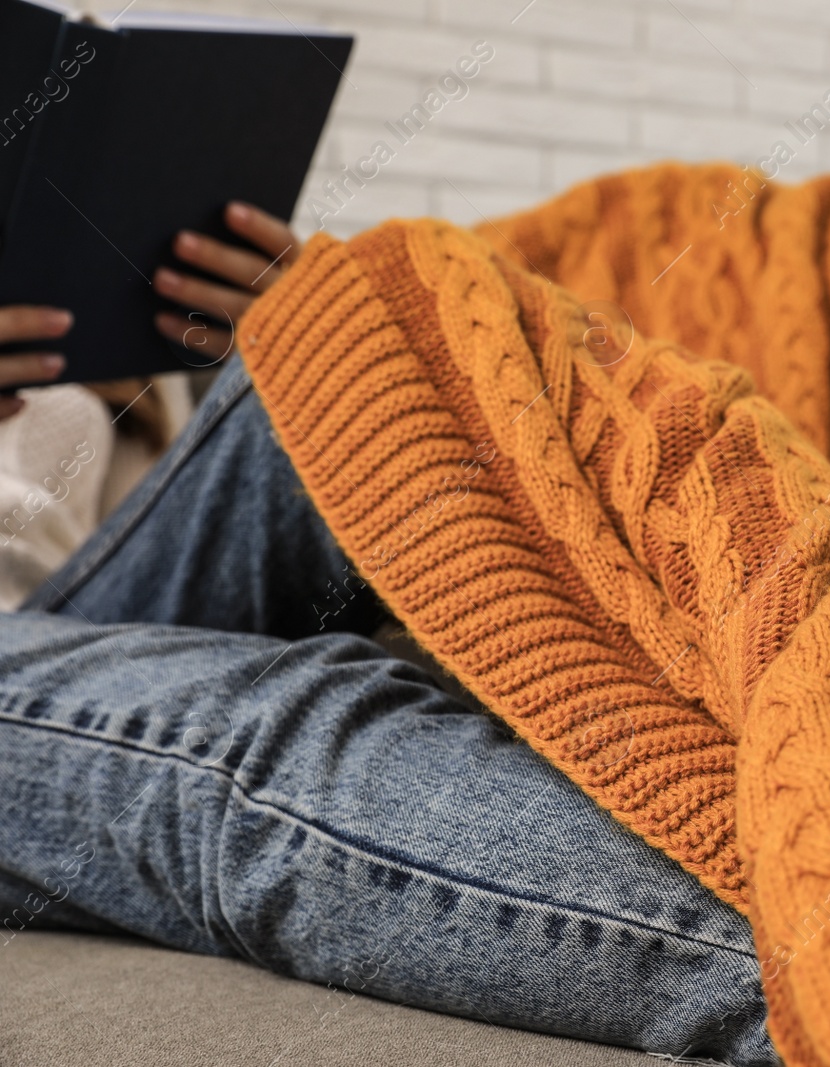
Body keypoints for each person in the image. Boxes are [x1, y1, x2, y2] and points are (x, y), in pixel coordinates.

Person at [0, 206, 776, 1064]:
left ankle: (803, 743)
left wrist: (295, 327)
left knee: (357, 362)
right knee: (259, 723)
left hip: (68, 604)